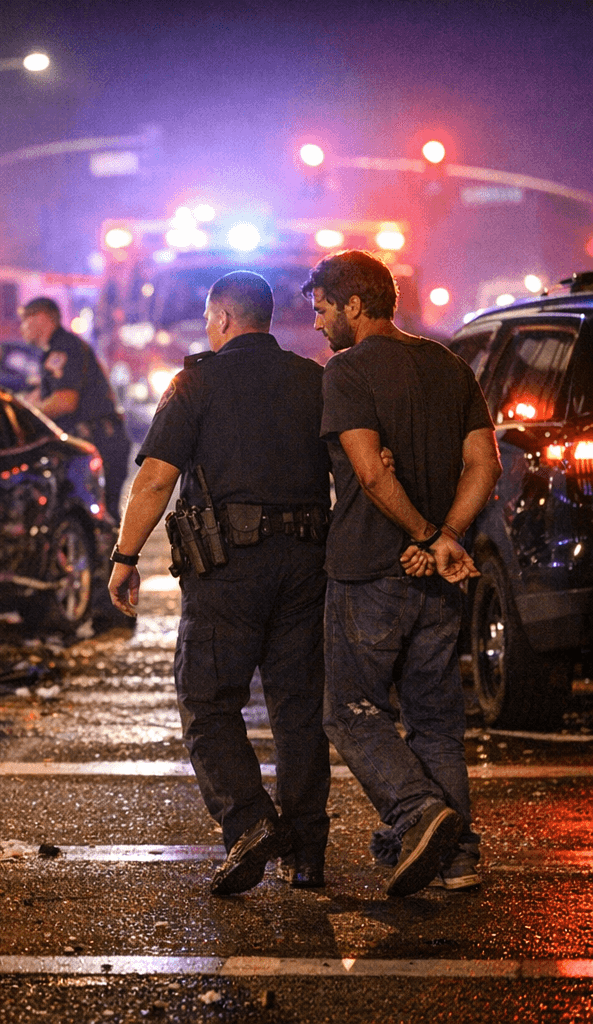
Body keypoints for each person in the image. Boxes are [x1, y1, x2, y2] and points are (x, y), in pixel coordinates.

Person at [107, 272, 332, 896]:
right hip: (308, 562)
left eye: (211, 320)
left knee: (207, 698)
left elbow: (155, 480)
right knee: (298, 707)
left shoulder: (195, 382)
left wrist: (127, 557)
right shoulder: (313, 381)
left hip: (228, 567)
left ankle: (250, 820)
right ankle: (308, 854)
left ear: (224, 319)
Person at [307, 249, 501, 897]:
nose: (318, 324)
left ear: (354, 305)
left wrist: (422, 533)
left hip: (368, 568)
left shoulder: (348, 371)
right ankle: (458, 857)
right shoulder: (449, 365)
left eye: (323, 309)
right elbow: (485, 465)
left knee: (351, 710)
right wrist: (448, 537)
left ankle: (417, 812)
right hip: (438, 576)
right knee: (436, 718)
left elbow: (368, 471)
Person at [21, 295, 130, 520]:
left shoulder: (65, 349)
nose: (22, 327)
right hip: (96, 440)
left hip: (100, 440)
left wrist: (27, 415)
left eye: (25, 319)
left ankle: (113, 556)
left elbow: (64, 401)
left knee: (99, 520)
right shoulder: (55, 350)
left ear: (41, 318)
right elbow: (43, 396)